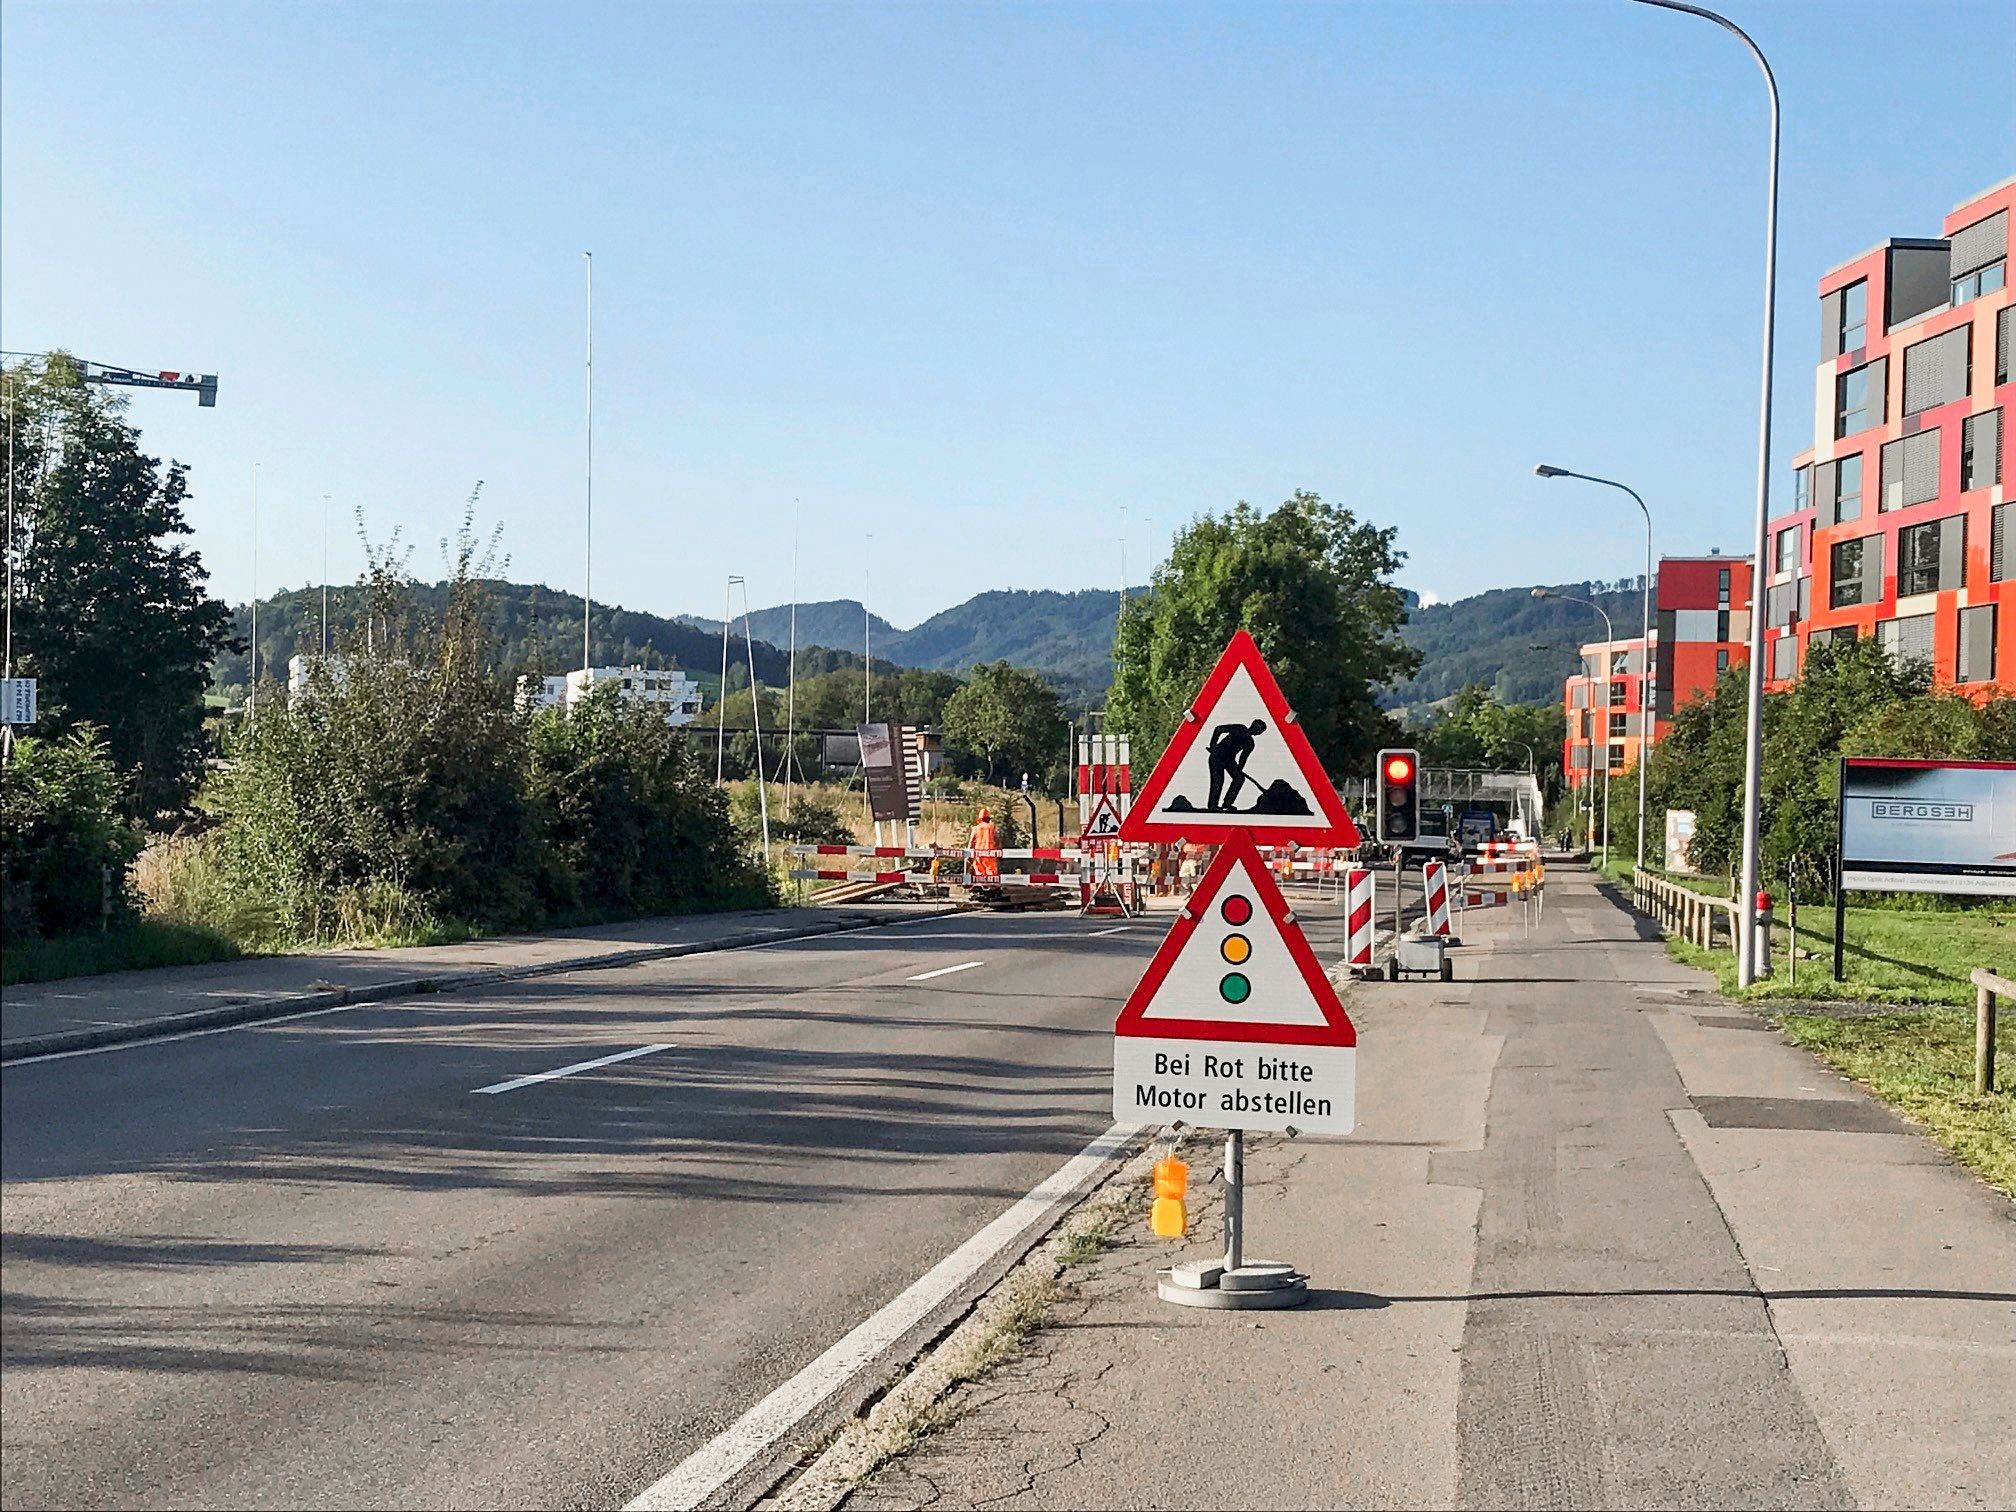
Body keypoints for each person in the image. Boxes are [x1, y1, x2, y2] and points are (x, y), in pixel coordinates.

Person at [1206, 718, 1267, 811]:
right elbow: (1219, 729)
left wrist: (1239, 770)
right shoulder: (1240, 728)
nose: (1258, 731)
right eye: (1258, 729)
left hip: (1229, 760)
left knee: (1239, 778)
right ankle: (1213, 806)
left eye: (1260, 731)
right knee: (1218, 780)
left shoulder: (1250, 743)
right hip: (1218, 755)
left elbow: (1243, 758)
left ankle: (1227, 803)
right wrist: (1213, 745)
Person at [969, 806, 999, 882]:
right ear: (988, 819)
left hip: (978, 853)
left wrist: (969, 853)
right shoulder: (992, 827)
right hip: (990, 853)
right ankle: (991, 887)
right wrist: (998, 850)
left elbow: (971, 841)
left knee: (979, 871)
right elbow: (997, 839)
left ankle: (980, 886)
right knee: (991, 872)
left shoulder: (975, 828)